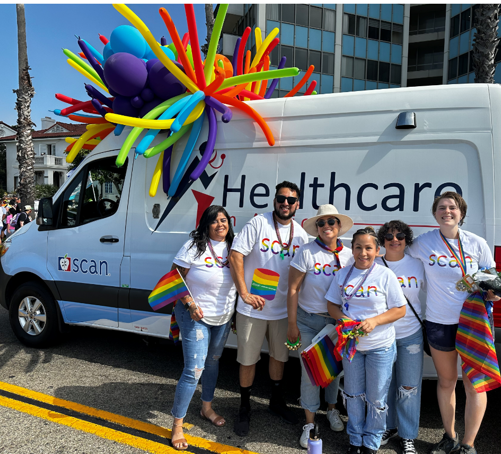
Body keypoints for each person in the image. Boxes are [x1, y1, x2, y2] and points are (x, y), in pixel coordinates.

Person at [407, 192, 500, 454]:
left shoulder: (477, 243)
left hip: (473, 322)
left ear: (462, 212)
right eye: (441, 208)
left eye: (452, 207)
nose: (447, 211)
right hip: (439, 322)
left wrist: (493, 291)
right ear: (434, 213)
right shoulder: (424, 243)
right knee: (447, 381)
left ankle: (468, 445)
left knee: (473, 383)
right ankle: (449, 436)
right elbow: (397, 254)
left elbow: (493, 278)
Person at [229, 181, 309, 436]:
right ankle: (244, 407)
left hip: (283, 311)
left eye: (291, 200)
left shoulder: (301, 233)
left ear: (298, 205)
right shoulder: (259, 223)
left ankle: (276, 402)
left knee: (279, 358)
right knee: (248, 359)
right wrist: (243, 292)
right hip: (252, 309)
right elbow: (235, 255)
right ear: (275, 200)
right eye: (281, 198)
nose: (285, 203)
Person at [326, 227, 407, 454]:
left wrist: (375, 321)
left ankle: (371, 442)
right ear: (352, 249)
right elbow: (331, 304)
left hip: (380, 347)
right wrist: (342, 319)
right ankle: (355, 439)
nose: (363, 253)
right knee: (352, 395)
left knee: (376, 398)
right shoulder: (342, 274)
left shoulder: (385, 275)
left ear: (377, 250)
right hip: (351, 346)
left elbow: (400, 310)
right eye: (358, 247)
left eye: (368, 248)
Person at [170, 205, 237, 451]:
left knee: (213, 362)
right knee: (193, 370)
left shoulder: (235, 247)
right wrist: (189, 304)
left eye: (224, 220)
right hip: (194, 315)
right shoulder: (193, 246)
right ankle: (178, 424)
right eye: (215, 221)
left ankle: (206, 407)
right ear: (206, 225)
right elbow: (174, 277)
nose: (221, 224)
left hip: (223, 317)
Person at [287, 204, 354, 448]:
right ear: (316, 228)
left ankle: (332, 409)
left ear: (338, 227)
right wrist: (292, 323)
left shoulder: (349, 255)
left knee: (334, 370)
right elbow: (293, 289)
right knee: (310, 372)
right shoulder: (306, 252)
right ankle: (309, 422)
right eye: (322, 223)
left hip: (336, 323)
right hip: (308, 321)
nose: (327, 226)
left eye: (331, 222)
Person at [375, 221, 426, 454]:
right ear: (382, 240)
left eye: (400, 235)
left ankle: (408, 436)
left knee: (408, 387)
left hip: (410, 335)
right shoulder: (374, 265)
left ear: (407, 238)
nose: (394, 239)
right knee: (384, 386)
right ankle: (388, 426)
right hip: (382, 336)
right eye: (389, 236)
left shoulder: (418, 265)